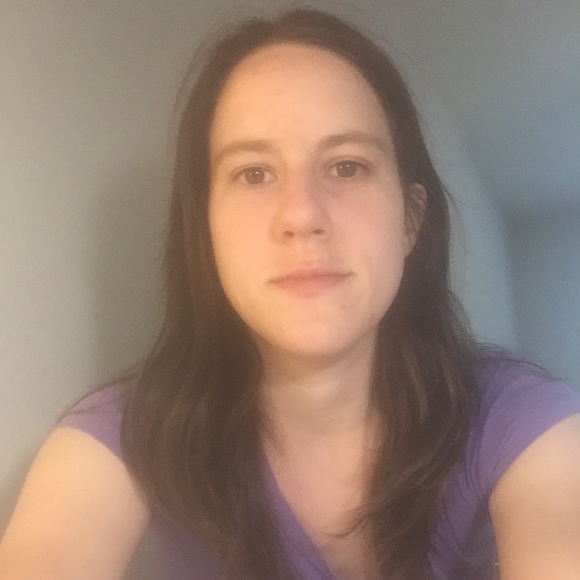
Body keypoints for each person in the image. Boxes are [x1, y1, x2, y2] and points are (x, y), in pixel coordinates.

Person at [1, 8, 579, 580]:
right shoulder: (121, 435)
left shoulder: (523, 420)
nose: (301, 215)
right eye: (253, 173)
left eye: (347, 167)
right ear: (206, 230)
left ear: (410, 220)